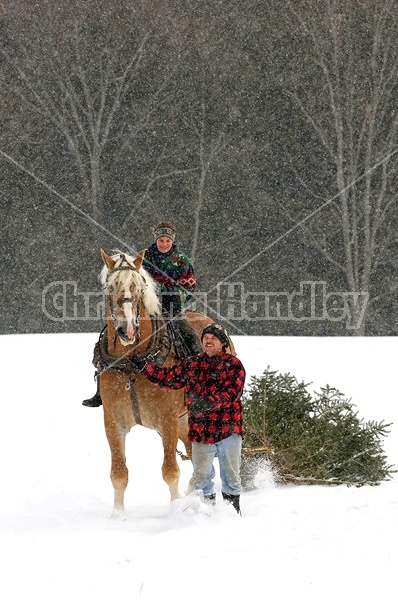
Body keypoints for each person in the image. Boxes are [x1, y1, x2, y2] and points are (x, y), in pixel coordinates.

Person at [130, 322, 246, 515]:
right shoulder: (193, 364)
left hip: (228, 430)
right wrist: (145, 367)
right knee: (201, 477)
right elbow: (169, 377)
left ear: (222, 343)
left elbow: (233, 392)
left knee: (231, 476)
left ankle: (232, 513)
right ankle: (207, 513)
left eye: (213, 339)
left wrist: (208, 403)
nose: (208, 341)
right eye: (205, 338)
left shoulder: (233, 365)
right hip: (201, 433)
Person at [82, 221, 201, 407]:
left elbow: (190, 287)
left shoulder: (182, 260)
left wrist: (175, 297)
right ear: (156, 240)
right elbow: (134, 283)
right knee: (108, 338)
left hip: (171, 309)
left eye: (167, 240)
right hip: (144, 307)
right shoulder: (143, 259)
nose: (163, 244)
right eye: (161, 240)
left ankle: (198, 381)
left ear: (172, 241)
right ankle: (100, 387)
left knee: (189, 338)